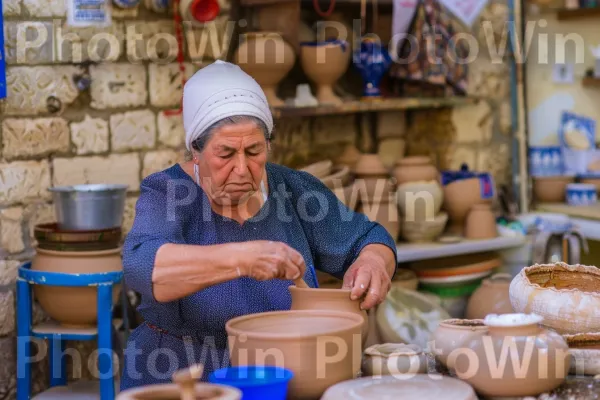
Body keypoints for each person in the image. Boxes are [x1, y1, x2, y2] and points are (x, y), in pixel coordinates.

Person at [120, 60, 397, 390]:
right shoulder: (168, 193)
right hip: (184, 378)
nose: (242, 168)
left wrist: (373, 261)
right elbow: (143, 266)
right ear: (195, 150)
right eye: (225, 153)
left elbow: (369, 236)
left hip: (281, 376)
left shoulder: (291, 188)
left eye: (254, 151)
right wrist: (241, 259)